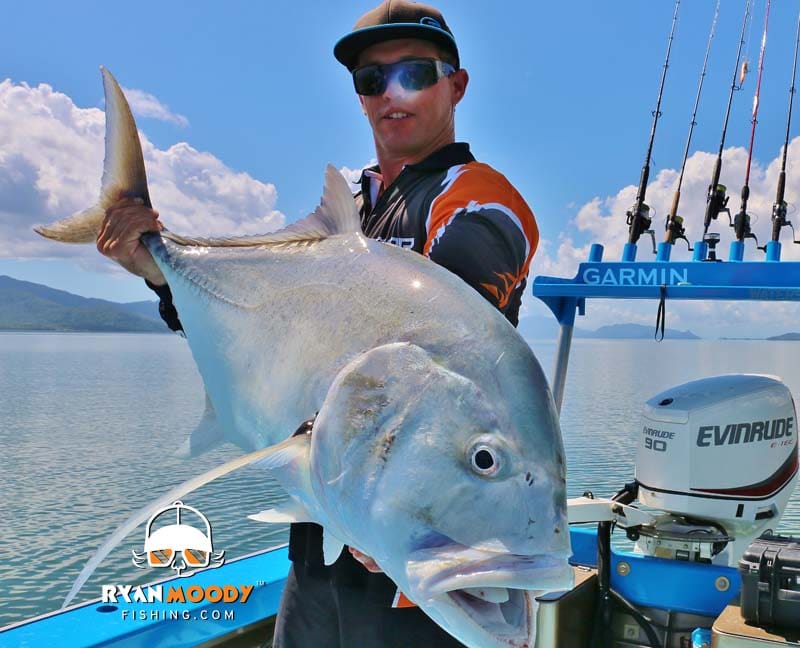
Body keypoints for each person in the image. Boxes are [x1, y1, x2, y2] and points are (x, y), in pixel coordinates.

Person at [97, 1, 539, 645]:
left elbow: (435, 375)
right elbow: (262, 336)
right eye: (372, 79)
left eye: (415, 73)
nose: (392, 94)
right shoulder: (353, 213)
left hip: (414, 566)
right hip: (321, 545)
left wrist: (397, 509)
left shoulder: (479, 202)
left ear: (457, 85)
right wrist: (161, 272)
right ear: (359, 97)